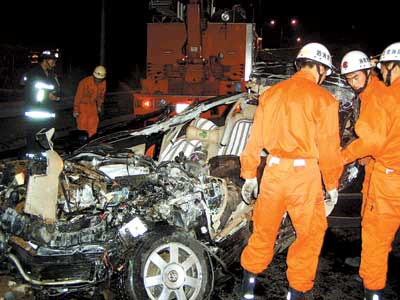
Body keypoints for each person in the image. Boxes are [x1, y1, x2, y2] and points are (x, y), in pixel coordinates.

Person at [239, 42, 343, 300]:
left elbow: (255, 140)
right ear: (320, 68)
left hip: (273, 172)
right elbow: (329, 149)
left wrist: (250, 174)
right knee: (309, 236)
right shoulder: (325, 100)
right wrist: (332, 184)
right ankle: (294, 294)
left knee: (263, 231)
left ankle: (248, 290)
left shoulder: (271, 94)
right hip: (303, 177)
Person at [342, 42, 400, 300]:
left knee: (376, 232)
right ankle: (370, 264)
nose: (353, 83)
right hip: (383, 165)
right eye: (349, 79)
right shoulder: (384, 93)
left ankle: (372, 289)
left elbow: (374, 140)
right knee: (375, 223)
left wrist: (343, 156)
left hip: (390, 176)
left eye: (356, 77)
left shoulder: (382, 95)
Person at [23, 50, 60, 154]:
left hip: (47, 113)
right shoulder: (33, 73)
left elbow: (57, 89)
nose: (54, 64)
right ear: (45, 60)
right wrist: (47, 95)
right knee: (33, 139)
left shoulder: (51, 74)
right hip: (35, 113)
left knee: (46, 140)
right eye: (53, 61)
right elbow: (31, 92)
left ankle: (45, 160)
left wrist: (56, 96)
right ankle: (32, 159)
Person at [73, 65, 107, 138]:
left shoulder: (103, 83)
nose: (98, 81)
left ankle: (91, 142)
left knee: (93, 124)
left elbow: (101, 96)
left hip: (92, 106)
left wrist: (99, 106)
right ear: (94, 75)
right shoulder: (84, 82)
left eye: (100, 79)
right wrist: (76, 110)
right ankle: (83, 144)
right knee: (83, 126)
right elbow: (78, 97)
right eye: (97, 79)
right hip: (83, 106)